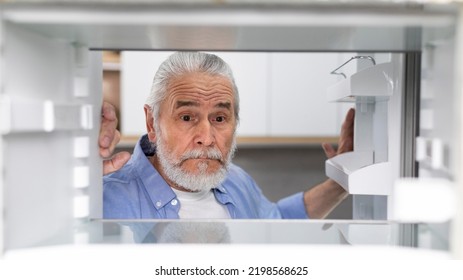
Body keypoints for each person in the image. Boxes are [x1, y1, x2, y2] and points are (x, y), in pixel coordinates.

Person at [100, 52, 354, 219]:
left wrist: (342, 182)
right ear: (151, 123)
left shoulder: (235, 180)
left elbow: (275, 222)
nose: (207, 138)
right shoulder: (106, 198)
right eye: (187, 117)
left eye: (219, 118)